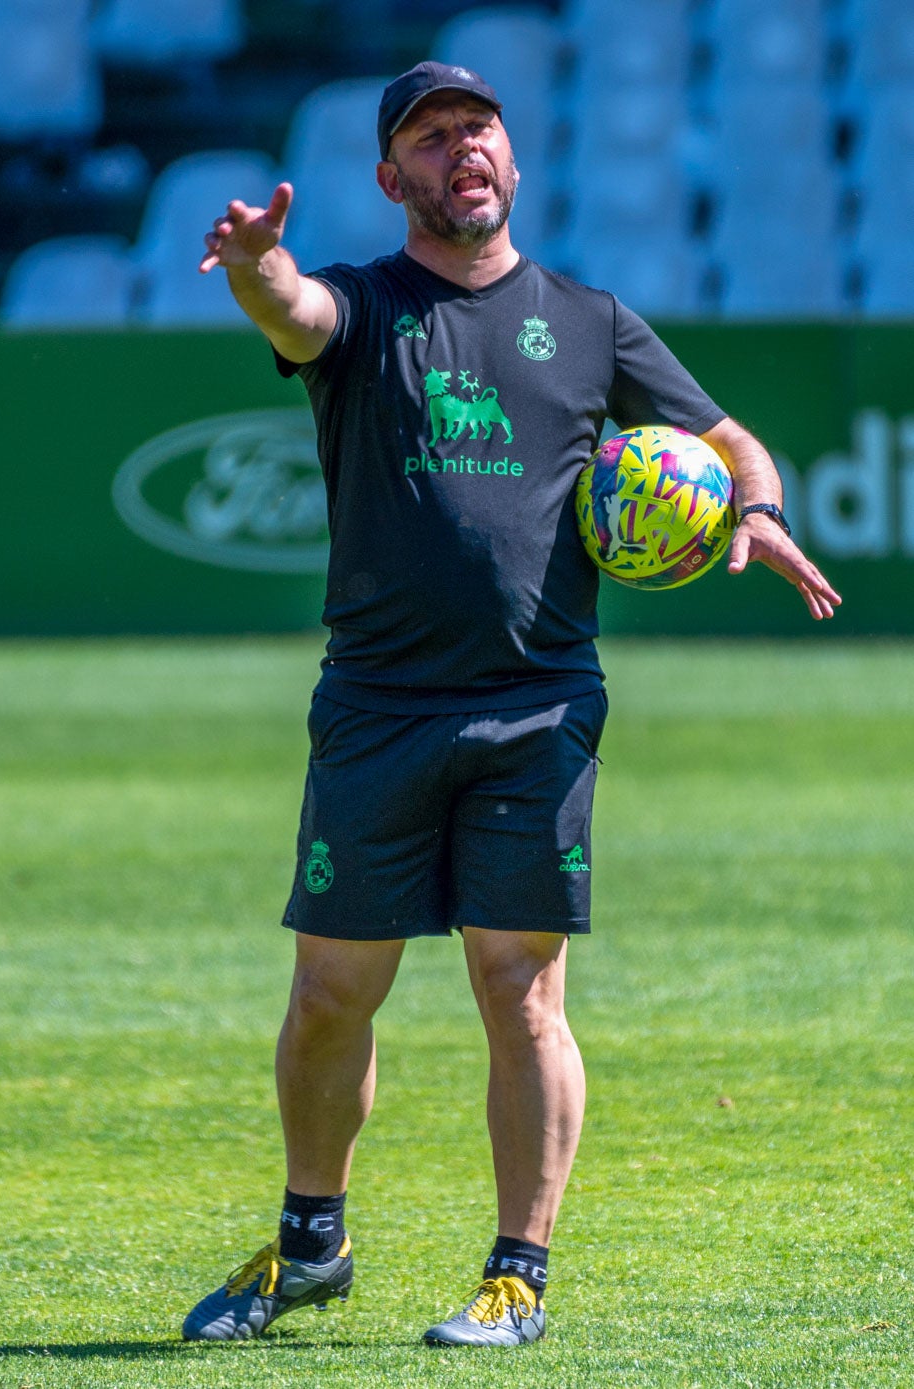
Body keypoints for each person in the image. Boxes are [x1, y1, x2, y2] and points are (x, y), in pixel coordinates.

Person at [181, 61, 841, 1350]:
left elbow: (730, 436)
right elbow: (294, 313)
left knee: (519, 989)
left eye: (477, 131)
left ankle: (516, 1276)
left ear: (513, 162)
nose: (458, 152)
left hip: (539, 704)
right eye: (429, 140)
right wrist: (258, 263)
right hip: (375, 703)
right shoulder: (368, 307)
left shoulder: (591, 323)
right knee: (329, 995)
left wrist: (753, 508)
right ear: (393, 180)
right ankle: (313, 1241)